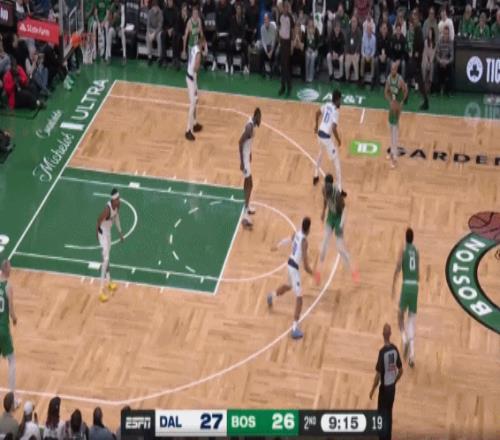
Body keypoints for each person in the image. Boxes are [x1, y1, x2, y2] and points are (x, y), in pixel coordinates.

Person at [267, 217, 314, 340]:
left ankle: (271, 296)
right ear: (309, 229)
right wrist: (313, 273)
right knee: (299, 298)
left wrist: (277, 246)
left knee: (288, 286)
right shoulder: (304, 242)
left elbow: (288, 239)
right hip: (294, 269)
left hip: (289, 264)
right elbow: (305, 265)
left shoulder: (297, 233)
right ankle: (294, 329)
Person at [317, 174, 358, 281]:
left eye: (328, 189)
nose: (326, 191)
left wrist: (340, 225)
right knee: (324, 243)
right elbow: (325, 200)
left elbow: (344, 210)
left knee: (340, 247)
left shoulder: (337, 195)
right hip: (331, 216)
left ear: (331, 186)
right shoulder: (324, 190)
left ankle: (353, 270)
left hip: (339, 217)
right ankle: (319, 271)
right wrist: (323, 211)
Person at [369, 323, 403, 440]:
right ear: (390, 334)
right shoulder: (395, 349)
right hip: (392, 389)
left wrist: (372, 390)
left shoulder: (382, 353)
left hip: (384, 390)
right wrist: (394, 382)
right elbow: (401, 371)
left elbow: (378, 375)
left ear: (383, 334)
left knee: (382, 414)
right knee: (389, 412)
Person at [392, 227, 419, 368]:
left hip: (406, 286)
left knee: (399, 317)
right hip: (415, 287)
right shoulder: (417, 251)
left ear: (405, 238)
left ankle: (404, 338)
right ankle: (412, 356)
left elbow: (398, 268)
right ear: (412, 239)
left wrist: (393, 283)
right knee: (411, 322)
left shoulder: (403, 251)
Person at [96, 189, 124, 303]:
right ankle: (100, 291)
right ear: (113, 200)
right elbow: (98, 220)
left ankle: (109, 282)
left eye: (119, 198)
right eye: (117, 199)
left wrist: (120, 232)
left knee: (107, 257)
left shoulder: (117, 206)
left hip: (108, 232)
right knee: (105, 259)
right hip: (102, 233)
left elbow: (116, 218)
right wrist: (97, 234)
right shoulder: (107, 210)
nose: (119, 200)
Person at [313, 89, 342, 189]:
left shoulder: (327, 105)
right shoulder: (336, 112)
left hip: (320, 134)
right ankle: (339, 188)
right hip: (326, 138)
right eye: (340, 100)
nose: (341, 102)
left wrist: (316, 126)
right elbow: (333, 128)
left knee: (320, 153)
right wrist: (338, 140)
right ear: (337, 100)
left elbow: (317, 113)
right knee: (336, 161)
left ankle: (315, 175)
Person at [239, 108, 261, 229]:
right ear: (256, 116)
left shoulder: (252, 125)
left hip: (247, 157)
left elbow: (248, 142)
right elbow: (240, 142)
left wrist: (250, 152)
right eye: (260, 117)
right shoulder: (249, 128)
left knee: (248, 184)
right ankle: (245, 216)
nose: (261, 120)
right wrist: (242, 162)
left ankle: (247, 207)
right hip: (244, 159)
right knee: (250, 184)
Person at [0, 261, 18, 404]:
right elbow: (11, 310)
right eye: (10, 268)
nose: (11, 270)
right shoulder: (8, 287)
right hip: (3, 329)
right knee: (12, 360)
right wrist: (15, 319)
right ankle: (12, 399)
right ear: (6, 271)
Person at [384, 61, 407, 168]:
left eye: (393, 69)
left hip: (397, 105)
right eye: (391, 68)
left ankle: (394, 158)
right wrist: (390, 101)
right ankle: (392, 152)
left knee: (395, 130)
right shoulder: (389, 78)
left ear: (396, 70)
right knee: (390, 128)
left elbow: (406, 90)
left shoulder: (400, 80)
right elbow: (386, 92)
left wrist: (401, 102)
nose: (392, 70)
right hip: (393, 104)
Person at [407, 9, 428, 110]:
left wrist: (417, 54)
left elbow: (421, 44)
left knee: (418, 81)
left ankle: (425, 101)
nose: (413, 19)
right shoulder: (416, 29)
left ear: (418, 18)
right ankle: (406, 97)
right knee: (410, 77)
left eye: (415, 17)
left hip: (416, 60)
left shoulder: (418, 29)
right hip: (415, 59)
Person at [185, 35, 205, 141]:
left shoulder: (193, 48)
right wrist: (200, 63)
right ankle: (188, 130)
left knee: (196, 100)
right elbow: (196, 67)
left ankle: (194, 123)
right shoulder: (198, 53)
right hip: (191, 79)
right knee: (192, 104)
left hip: (192, 77)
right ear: (202, 43)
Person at [278, 0, 294, 97]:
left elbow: (292, 31)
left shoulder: (290, 17)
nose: (286, 9)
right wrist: (279, 41)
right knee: (282, 65)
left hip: (288, 43)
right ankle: (284, 85)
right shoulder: (280, 16)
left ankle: (287, 86)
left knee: (285, 65)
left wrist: (291, 45)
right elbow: (279, 28)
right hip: (282, 42)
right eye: (285, 7)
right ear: (283, 7)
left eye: (287, 7)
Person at [228, 4, 249, 74]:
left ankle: (246, 66)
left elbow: (244, 32)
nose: (238, 10)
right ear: (236, 10)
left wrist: (241, 39)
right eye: (237, 9)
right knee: (230, 44)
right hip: (234, 39)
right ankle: (231, 66)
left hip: (241, 39)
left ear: (241, 10)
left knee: (245, 44)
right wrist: (235, 39)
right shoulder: (232, 19)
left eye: (239, 9)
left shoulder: (244, 20)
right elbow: (231, 31)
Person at [105, 0, 126, 64]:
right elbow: (110, 24)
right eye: (115, 1)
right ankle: (109, 56)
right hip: (113, 29)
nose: (117, 1)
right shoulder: (111, 8)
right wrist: (114, 19)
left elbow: (123, 19)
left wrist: (121, 27)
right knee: (110, 31)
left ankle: (124, 56)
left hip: (119, 29)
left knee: (123, 33)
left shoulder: (122, 7)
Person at [159, 0, 180, 68]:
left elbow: (177, 23)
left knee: (175, 36)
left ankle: (174, 59)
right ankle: (164, 58)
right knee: (162, 35)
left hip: (174, 29)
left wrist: (172, 29)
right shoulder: (164, 11)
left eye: (171, 1)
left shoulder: (176, 10)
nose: (170, 2)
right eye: (169, 1)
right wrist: (167, 30)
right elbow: (163, 23)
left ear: (173, 2)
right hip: (167, 29)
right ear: (167, 2)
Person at [435, 26, 453, 96]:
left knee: (450, 68)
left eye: (447, 33)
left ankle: (448, 90)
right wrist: (440, 61)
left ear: (449, 34)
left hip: (447, 61)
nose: (446, 35)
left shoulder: (451, 42)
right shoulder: (439, 41)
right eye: (445, 33)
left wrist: (447, 62)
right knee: (437, 67)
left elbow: (452, 56)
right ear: (443, 33)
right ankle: (439, 89)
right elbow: (437, 54)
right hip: (440, 61)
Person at [344, 16, 362, 82]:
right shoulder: (348, 31)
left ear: (357, 23)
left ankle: (357, 79)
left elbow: (359, 43)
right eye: (352, 22)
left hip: (356, 53)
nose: (353, 23)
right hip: (349, 52)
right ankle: (347, 78)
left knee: (355, 62)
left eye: (354, 22)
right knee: (347, 64)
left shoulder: (359, 32)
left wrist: (356, 53)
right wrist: (347, 53)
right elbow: (346, 43)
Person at [373, 22, 390, 88]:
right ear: (381, 29)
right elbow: (376, 49)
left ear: (387, 30)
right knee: (375, 60)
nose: (384, 30)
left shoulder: (389, 38)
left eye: (385, 28)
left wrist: (385, 56)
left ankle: (386, 80)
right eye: (383, 28)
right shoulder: (377, 37)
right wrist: (380, 56)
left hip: (386, 56)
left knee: (389, 61)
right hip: (380, 56)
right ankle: (377, 79)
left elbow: (390, 50)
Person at [146, 0, 163, 65]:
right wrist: (150, 33)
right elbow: (148, 25)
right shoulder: (150, 12)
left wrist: (154, 34)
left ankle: (159, 57)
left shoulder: (160, 12)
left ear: (158, 7)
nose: (155, 9)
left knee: (159, 36)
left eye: (156, 7)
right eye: (154, 7)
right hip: (151, 29)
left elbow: (160, 26)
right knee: (147, 36)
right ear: (152, 7)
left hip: (158, 30)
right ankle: (149, 57)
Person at [304, 18, 320, 83]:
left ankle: (311, 77)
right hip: (307, 49)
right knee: (307, 56)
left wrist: (314, 49)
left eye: (311, 23)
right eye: (309, 23)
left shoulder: (316, 31)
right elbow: (304, 42)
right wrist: (307, 49)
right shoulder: (305, 31)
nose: (310, 24)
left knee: (312, 56)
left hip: (314, 50)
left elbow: (318, 43)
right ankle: (306, 76)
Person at [421, 27, 436, 97]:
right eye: (429, 33)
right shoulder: (425, 42)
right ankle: (423, 86)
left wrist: (430, 61)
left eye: (431, 33)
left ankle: (429, 86)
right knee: (424, 66)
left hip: (431, 60)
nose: (430, 34)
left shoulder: (434, 43)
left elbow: (433, 54)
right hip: (425, 59)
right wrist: (427, 61)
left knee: (431, 66)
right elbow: (425, 53)